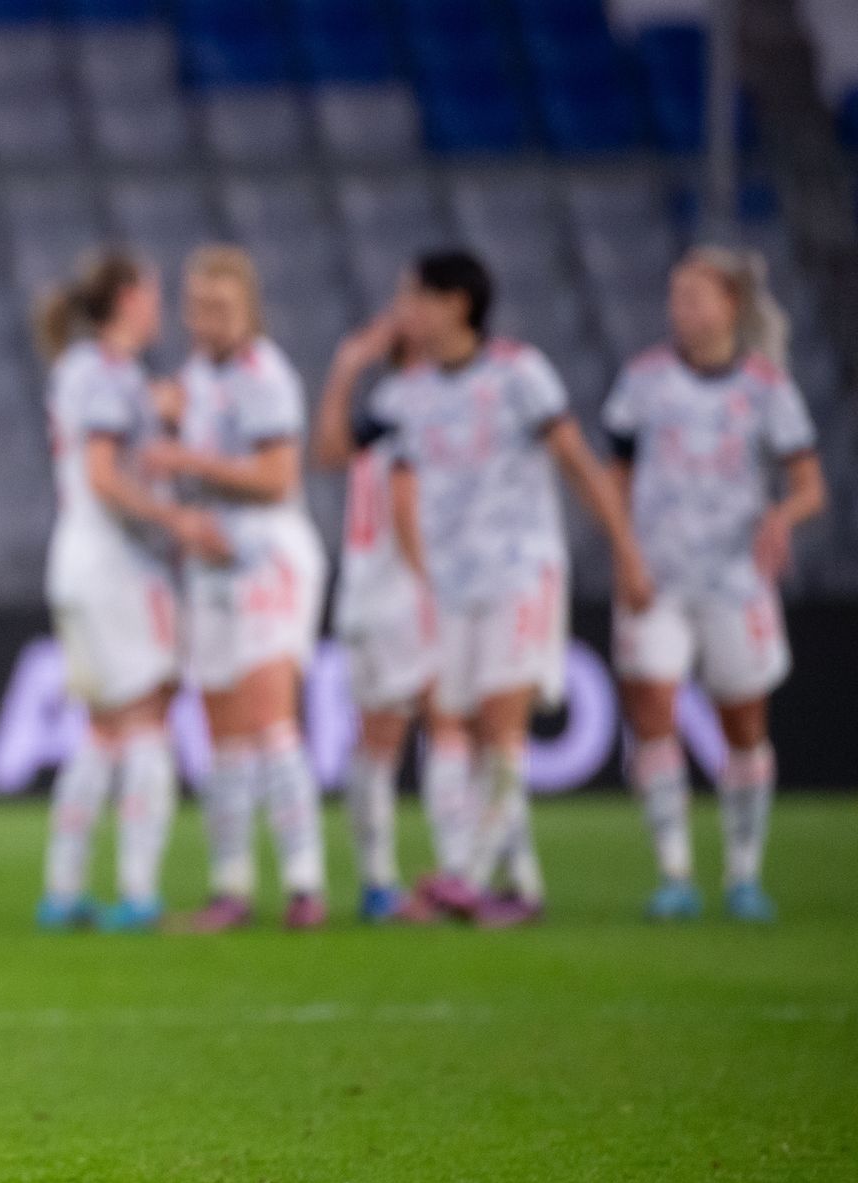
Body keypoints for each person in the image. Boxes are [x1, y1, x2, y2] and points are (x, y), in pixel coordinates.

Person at [373, 250, 655, 927]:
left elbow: (577, 462)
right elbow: (382, 475)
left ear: (455, 304)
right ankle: (521, 886)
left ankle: (465, 879)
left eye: (414, 297)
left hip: (519, 572)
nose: (403, 311)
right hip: (453, 582)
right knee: (474, 732)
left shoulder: (519, 374)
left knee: (502, 727)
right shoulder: (409, 394)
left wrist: (626, 549)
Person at [604, 247, 825, 922]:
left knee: (744, 722)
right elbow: (615, 478)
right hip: (656, 576)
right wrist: (624, 554)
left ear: (731, 306)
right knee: (652, 708)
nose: (682, 311)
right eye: (676, 299)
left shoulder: (765, 386)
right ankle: (674, 871)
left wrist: (782, 517)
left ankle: (743, 872)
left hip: (735, 579)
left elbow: (809, 484)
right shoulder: (644, 380)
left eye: (695, 298)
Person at [31, 250, 227, 932]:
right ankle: (139, 890)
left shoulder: (80, 369)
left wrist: (157, 406)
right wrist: (177, 520)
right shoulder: (109, 374)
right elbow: (104, 473)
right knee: (147, 718)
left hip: (76, 560)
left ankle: (63, 889)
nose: (161, 309)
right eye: (153, 294)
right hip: (116, 566)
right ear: (127, 300)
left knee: (104, 727)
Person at [151, 247, 329, 932]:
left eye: (220, 306)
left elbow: (277, 478)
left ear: (249, 308)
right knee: (221, 734)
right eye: (197, 306)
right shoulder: (194, 378)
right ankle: (231, 886)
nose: (206, 320)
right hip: (210, 564)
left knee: (270, 722)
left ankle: (304, 882)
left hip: (266, 561)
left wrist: (185, 456)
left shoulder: (266, 376)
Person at [315, 314, 476, 922]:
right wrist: (436, 586)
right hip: (407, 593)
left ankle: (379, 882)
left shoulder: (377, 416)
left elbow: (328, 451)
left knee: (376, 743)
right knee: (447, 724)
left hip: (361, 593)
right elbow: (408, 505)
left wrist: (345, 367)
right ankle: (459, 871)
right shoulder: (419, 411)